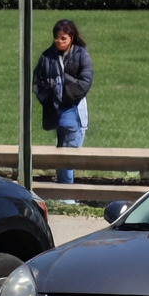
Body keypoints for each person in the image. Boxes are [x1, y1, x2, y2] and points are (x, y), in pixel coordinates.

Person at [33, 19, 92, 181]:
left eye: (63, 38)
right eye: (56, 38)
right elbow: (37, 82)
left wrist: (65, 91)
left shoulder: (81, 54)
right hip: (59, 112)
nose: (59, 42)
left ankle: (61, 189)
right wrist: (49, 98)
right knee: (70, 152)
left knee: (64, 149)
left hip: (75, 106)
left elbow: (85, 81)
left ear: (71, 37)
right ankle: (66, 194)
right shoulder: (46, 57)